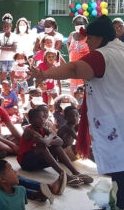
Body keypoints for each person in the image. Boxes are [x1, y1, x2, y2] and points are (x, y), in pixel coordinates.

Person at [30, 15, 124, 207]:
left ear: (100, 37)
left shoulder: (102, 55)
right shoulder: (120, 49)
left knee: (120, 173)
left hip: (117, 123)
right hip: (117, 118)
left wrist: (44, 74)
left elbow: (74, 69)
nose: (87, 42)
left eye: (89, 38)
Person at [17, 108, 93, 187]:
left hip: (38, 162)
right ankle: (64, 175)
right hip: (27, 163)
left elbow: (60, 141)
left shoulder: (43, 129)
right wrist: (52, 136)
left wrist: (49, 139)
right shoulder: (29, 131)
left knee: (56, 147)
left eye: (43, 117)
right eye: (38, 118)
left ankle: (76, 173)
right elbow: (44, 143)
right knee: (42, 147)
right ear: (31, 121)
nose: (42, 120)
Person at [66, 15, 90, 94]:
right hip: (73, 70)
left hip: (84, 69)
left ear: (85, 24)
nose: (79, 26)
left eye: (81, 24)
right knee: (74, 94)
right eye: (77, 24)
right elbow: (68, 42)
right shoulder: (72, 34)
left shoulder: (89, 36)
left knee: (84, 93)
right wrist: (70, 51)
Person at [0, 13, 17, 82]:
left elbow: (14, 49)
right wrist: (10, 46)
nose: (6, 28)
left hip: (12, 60)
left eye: (7, 26)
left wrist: (2, 47)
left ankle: (14, 91)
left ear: (11, 26)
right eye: (4, 26)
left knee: (13, 79)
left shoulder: (14, 36)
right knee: (3, 79)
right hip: (2, 59)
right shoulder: (0, 36)